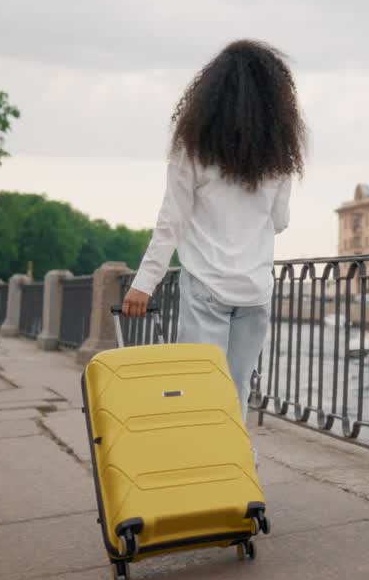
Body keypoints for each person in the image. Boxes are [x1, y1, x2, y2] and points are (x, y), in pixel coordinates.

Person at [121, 40, 305, 424]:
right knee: (237, 387)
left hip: (206, 285)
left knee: (200, 386)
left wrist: (143, 284)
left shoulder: (193, 148)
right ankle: (236, 463)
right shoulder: (280, 158)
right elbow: (280, 221)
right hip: (255, 288)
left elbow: (172, 221)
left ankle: (203, 464)